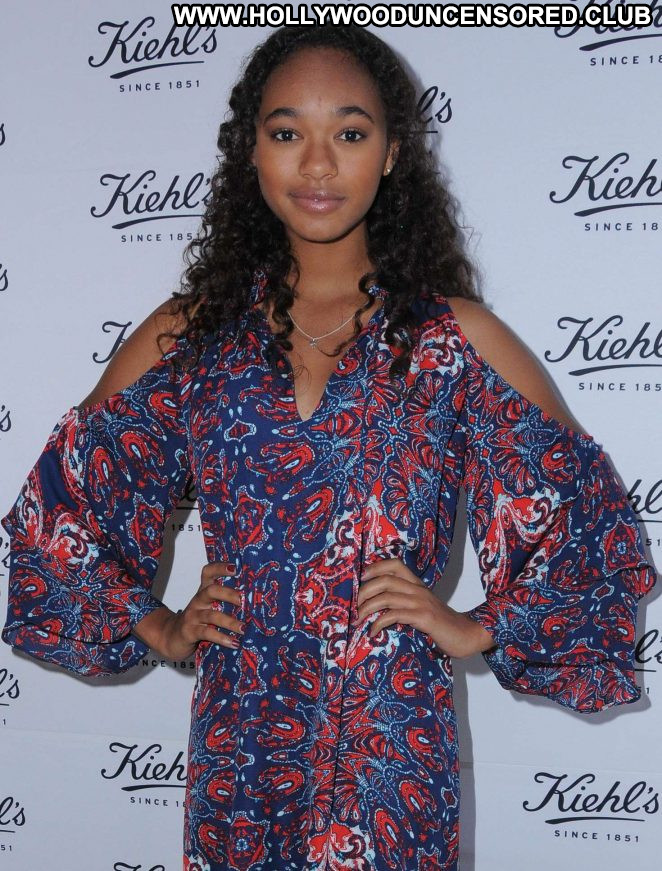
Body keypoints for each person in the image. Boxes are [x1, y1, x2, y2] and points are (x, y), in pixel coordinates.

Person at [1, 25, 657, 871]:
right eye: (287, 133)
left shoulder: (452, 341)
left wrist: (474, 626)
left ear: (391, 155)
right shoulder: (192, 336)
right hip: (242, 746)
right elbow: (58, 516)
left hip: (392, 747)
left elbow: (589, 529)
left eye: (349, 133)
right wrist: (162, 626)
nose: (317, 165)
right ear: (251, 150)